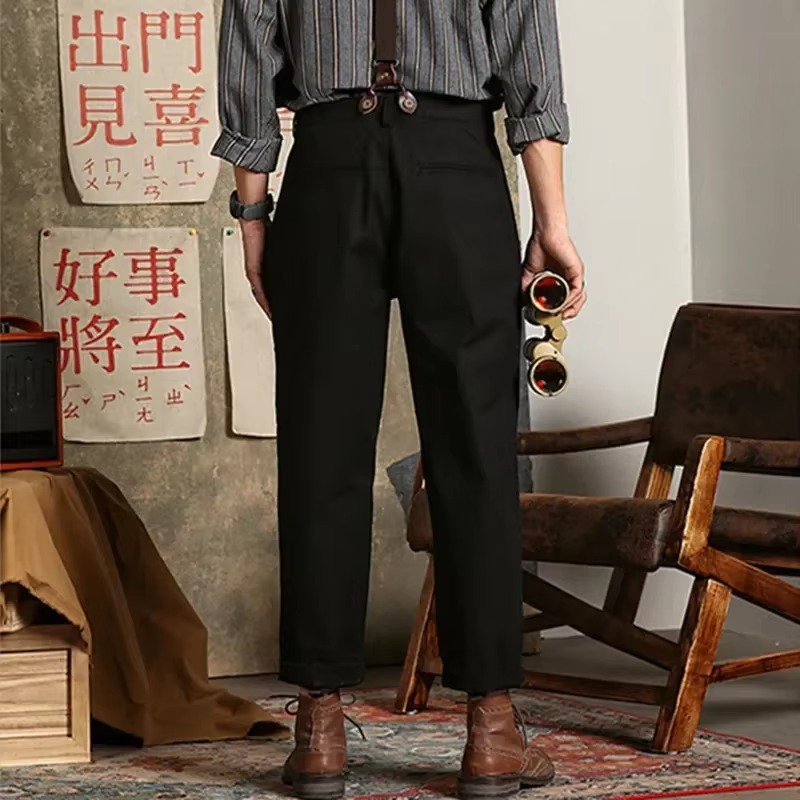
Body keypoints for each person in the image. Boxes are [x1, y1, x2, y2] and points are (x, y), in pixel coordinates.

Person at [213, 1, 586, 798]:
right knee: (476, 450)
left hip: (327, 169)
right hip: (456, 167)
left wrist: (253, 217)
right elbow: (531, 65)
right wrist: (551, 221)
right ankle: (491, 729)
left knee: (321, 449)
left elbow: (249, 55)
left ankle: (319, 729)